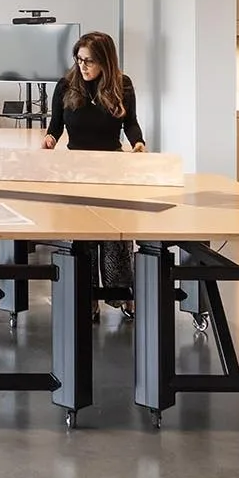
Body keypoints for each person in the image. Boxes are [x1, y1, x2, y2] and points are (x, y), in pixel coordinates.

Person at [45, 31, 146, 305]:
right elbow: (55, 125)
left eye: (89, 61)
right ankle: (85, 299)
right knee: (82, 236)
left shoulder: (122, 85)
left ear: (105, 61)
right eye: (79, 60)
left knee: (115, 236)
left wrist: (138, 143)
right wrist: (49, 139)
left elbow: (131, 123)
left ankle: (121, 296)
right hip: (75, 169)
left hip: (112, 169)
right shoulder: (65, 85)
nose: (83, 66)